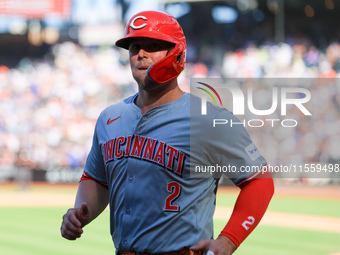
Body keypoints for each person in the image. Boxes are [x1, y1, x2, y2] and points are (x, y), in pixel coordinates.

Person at [60, 10, 274, 255]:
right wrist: (80, 213)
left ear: (177, 54)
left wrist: (229, 240)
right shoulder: (109, 118)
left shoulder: (210, 119)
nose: (141, 54)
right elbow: (97, 179)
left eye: (153, 46)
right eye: (134, 47)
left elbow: (259, 181)